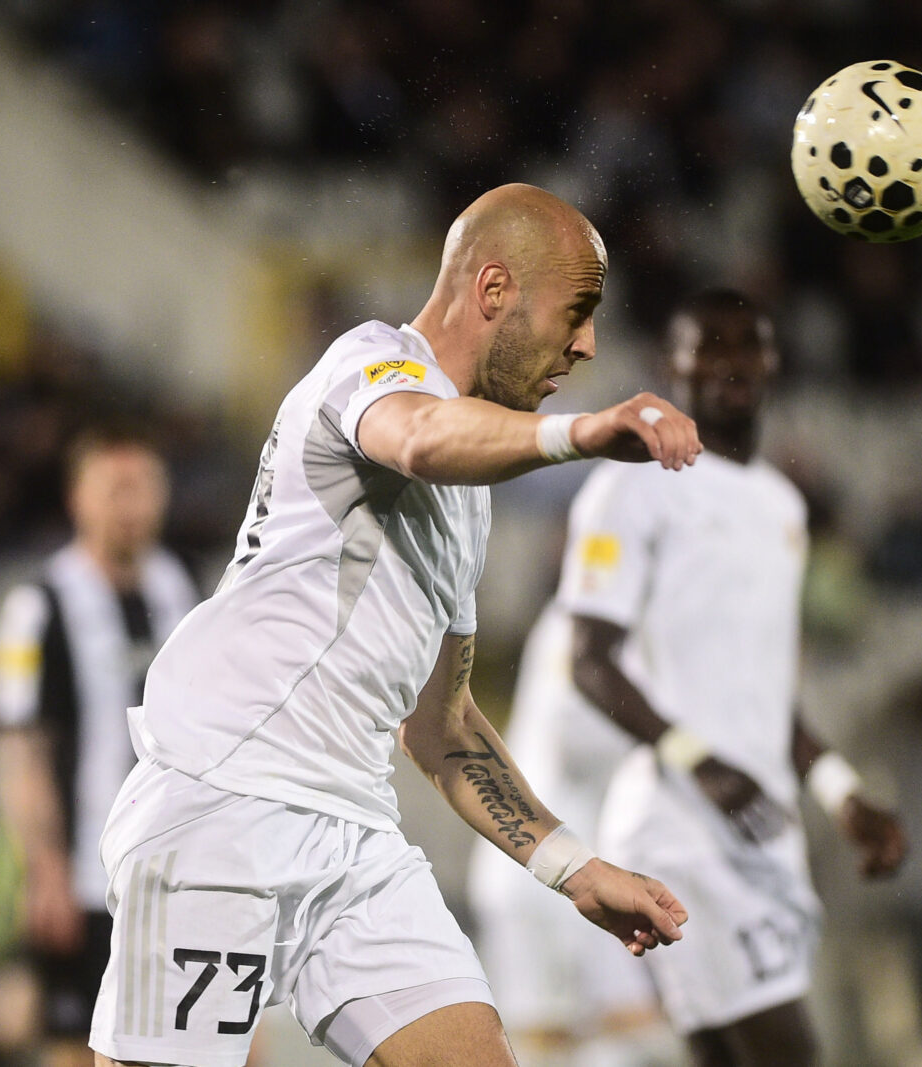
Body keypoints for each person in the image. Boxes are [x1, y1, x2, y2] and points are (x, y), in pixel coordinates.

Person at [88, 183, 699, 1067]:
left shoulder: (470, 504)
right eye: (578, 311)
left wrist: (575, 868)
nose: (588, 343)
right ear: (493, 292)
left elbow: (441, 728)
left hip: (355, 837)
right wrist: (584, 434)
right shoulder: (366, 363)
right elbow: (417, 436)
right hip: (223, 795)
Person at [555, 288, 909, 1066]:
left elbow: (765, 695)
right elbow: (587, 659)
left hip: (761, 826)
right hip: (682, 830)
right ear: (670, 364)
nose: (729, 361)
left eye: (747, 343)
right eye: (706, 344)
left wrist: (842, 796)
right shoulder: (632, 486)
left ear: (774, 362)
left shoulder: (781, 504)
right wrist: (702, 763)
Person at [0, 426, 200, 1067]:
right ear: (77, 498)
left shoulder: (178, 588)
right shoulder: (38, 604)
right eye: (115, 490)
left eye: (141, 489)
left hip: (173, 873)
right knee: (78, 1045)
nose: (130, 506)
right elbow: (21, 744)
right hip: (85, 873)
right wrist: (43, 865)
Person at [466, 603, 676, 1067]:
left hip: (575, 864)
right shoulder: (585, 620)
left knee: (621, 1030)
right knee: (556, 1038)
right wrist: (673, 739)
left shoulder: (627, 620)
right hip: (548, 865)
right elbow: (572, 735)